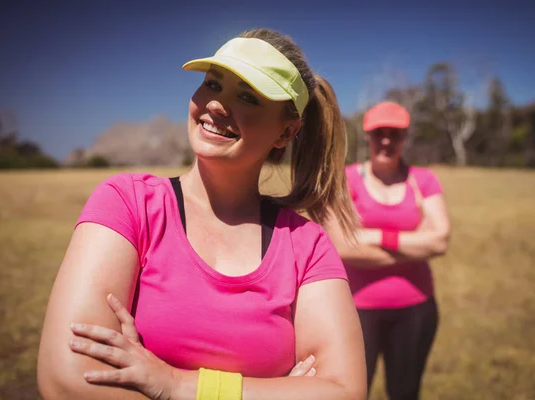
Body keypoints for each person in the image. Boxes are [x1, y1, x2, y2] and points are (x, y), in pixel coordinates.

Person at [36, 28, 367, 400]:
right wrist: (272, 391)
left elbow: (344, 391)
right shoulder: (129, 204)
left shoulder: (307, 245)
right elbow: (68, 380)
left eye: (247, 97)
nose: (216, 105)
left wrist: (175, 385)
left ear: (286, 131)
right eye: (212, 84)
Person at [324, 101, 451, 400]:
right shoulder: (345, 180)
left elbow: (440, 241)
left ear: (405, 137)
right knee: (352, 393)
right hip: (355, 311)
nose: (385, 141)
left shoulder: (423, 180)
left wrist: (373, 235)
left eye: (394, 134)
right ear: (367, 136)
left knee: (405, 392)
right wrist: (415, 243)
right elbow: (342, 247)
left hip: (416, 309)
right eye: (378, 133)